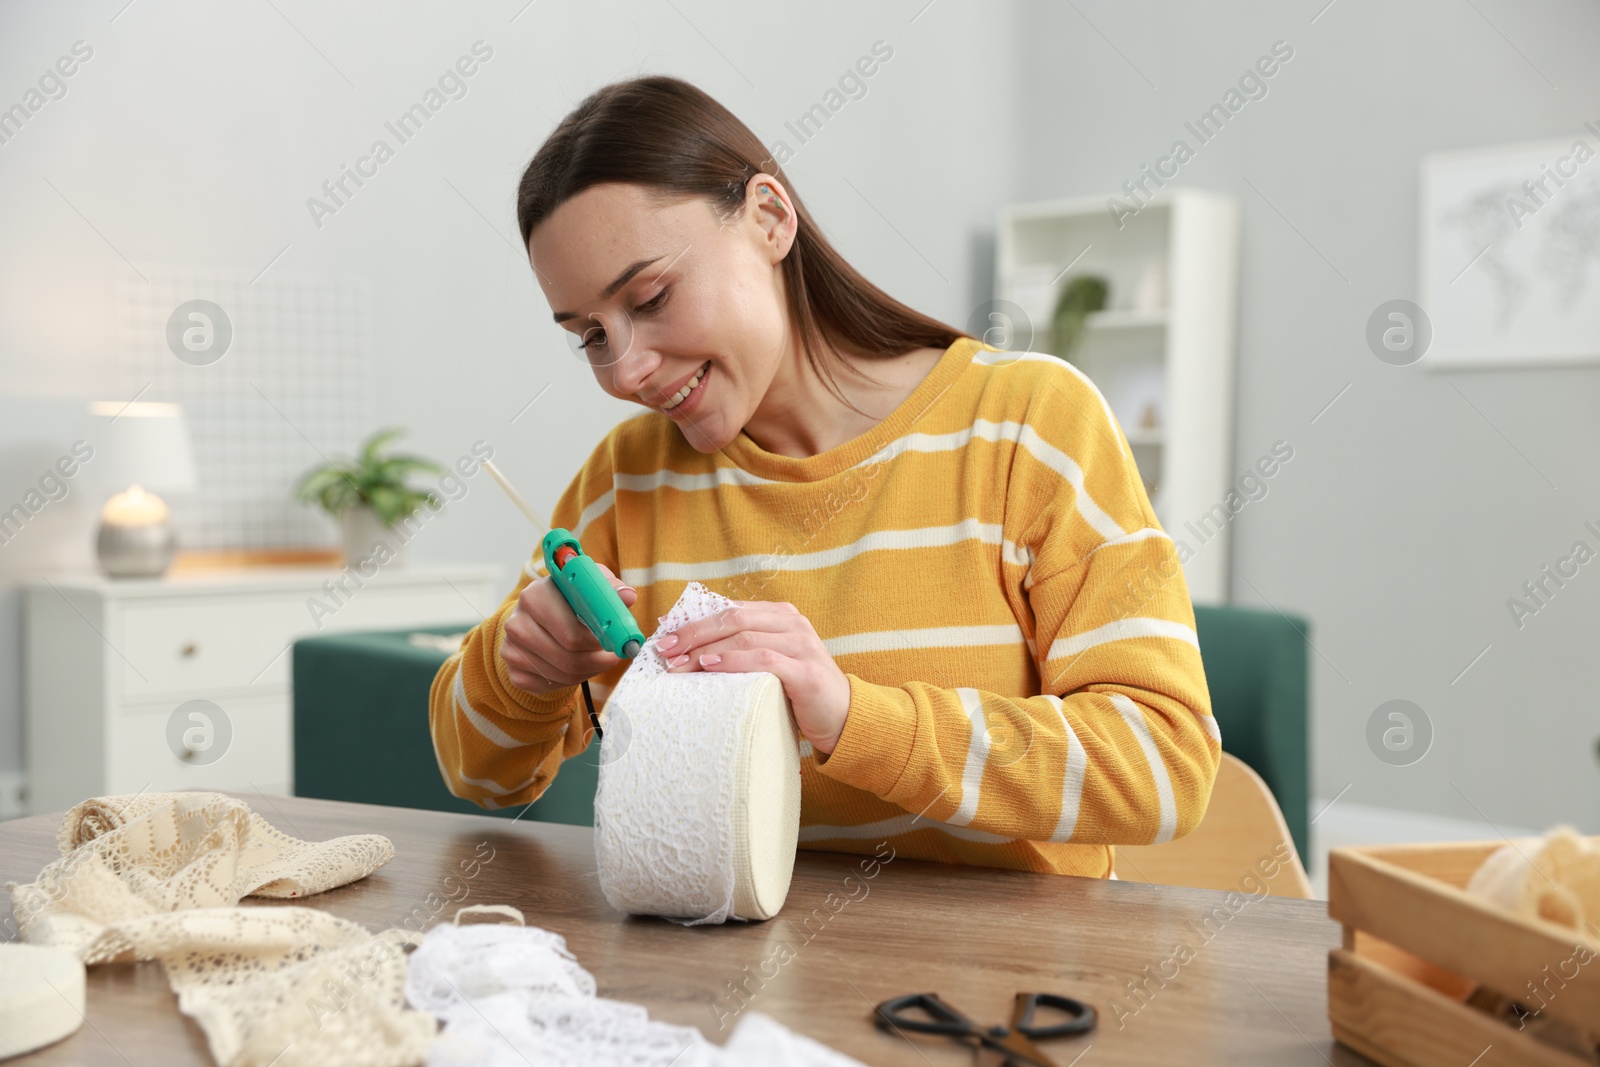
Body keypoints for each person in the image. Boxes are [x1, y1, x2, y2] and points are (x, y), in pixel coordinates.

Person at [429, 74, 1219, 878]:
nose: (626, 369)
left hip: (1011, 985)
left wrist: (853, 718)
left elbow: (1165, 766)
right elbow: (484, 775)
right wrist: (518, 666)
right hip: (735, 969)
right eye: (590, 334)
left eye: (654, 295)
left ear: (770, 219)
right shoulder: (625, 481)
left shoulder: (1029, 425)